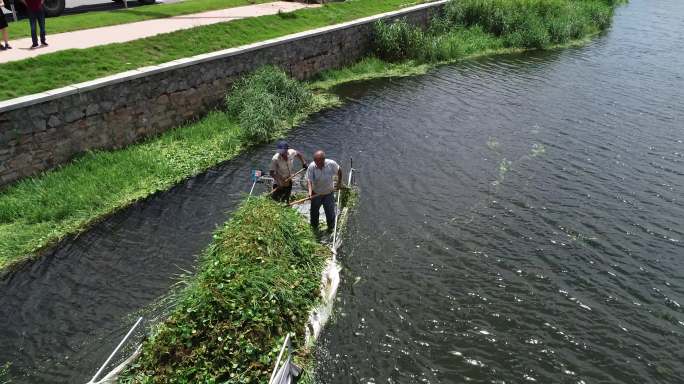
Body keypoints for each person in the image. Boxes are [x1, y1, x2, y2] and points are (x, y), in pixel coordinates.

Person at [306, 150, 342, 232]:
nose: (317, 164)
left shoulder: (331, 164)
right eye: (316, 162)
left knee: (330, 212)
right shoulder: (312, 166)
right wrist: (310, 193)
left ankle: (331, 228)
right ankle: (314, 228)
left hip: (328, 193)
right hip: (316, 193)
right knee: (314, 212)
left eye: (319, 162)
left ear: (323, 160)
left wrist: (339, 183)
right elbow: (309, 181)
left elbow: (339, 170)